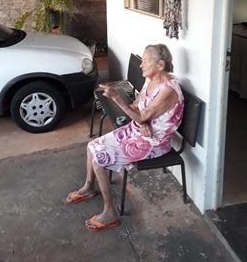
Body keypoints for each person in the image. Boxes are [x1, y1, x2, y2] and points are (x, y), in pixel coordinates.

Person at [66, 44, 184, 232]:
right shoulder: (151, 79)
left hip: (155, 142)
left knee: (99, 158)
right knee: (92, 145)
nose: (141, 65)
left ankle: (110, 213)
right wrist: (143, 120)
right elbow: (138, 108)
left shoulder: (168, 90)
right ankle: (89, 187)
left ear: (160, 64)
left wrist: (117, 98)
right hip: (139, 130)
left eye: (145, 61)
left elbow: (141, 114)